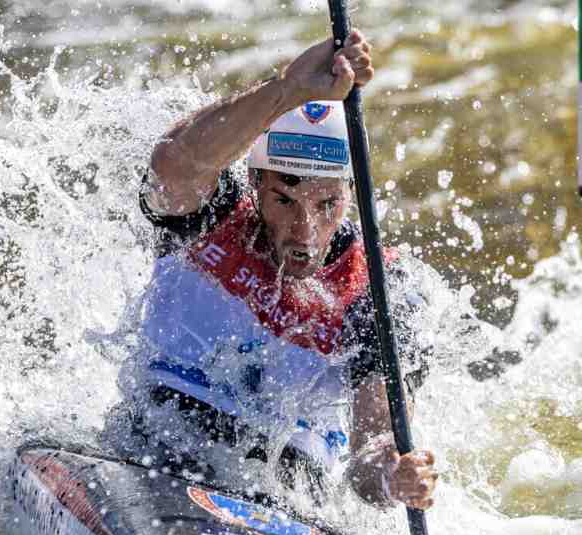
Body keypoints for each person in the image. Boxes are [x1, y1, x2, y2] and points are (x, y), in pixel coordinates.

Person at [104, 30, 440, 510]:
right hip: (150, 451)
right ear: (255, 183)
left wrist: (393, 475)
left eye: (326, 204)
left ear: (349, 196)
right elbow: (173, 165)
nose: (305, 232)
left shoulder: (376, 290)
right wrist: (287, 90)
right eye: (284, 201)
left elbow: (372, 449)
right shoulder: (213, 218)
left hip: (285, 494)